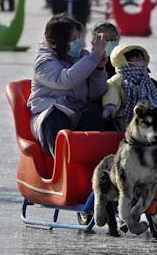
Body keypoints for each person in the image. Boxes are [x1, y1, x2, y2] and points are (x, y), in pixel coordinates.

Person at [27, 14, 109, 156]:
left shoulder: (83, 57)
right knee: (55, 117)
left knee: (95, 115)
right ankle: (63, 162)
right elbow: (66, 80)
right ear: (59, 41)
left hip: (78, 113)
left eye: (79, 38)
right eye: (73, 40)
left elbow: (96, 94)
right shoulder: (43, 62)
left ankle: (98, 163)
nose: (78, 43)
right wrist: (94, 56)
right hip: (49, 116)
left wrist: (99, 70)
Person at [101, 44, 157, 131]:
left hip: (146, 116)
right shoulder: (118, 80)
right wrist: (111, 105)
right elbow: (112, 91)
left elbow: (153, 95)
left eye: (141, 58)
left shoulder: (146, 80)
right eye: (136, 58)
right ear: (124, 60)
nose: (140, 61)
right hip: (125, 117)